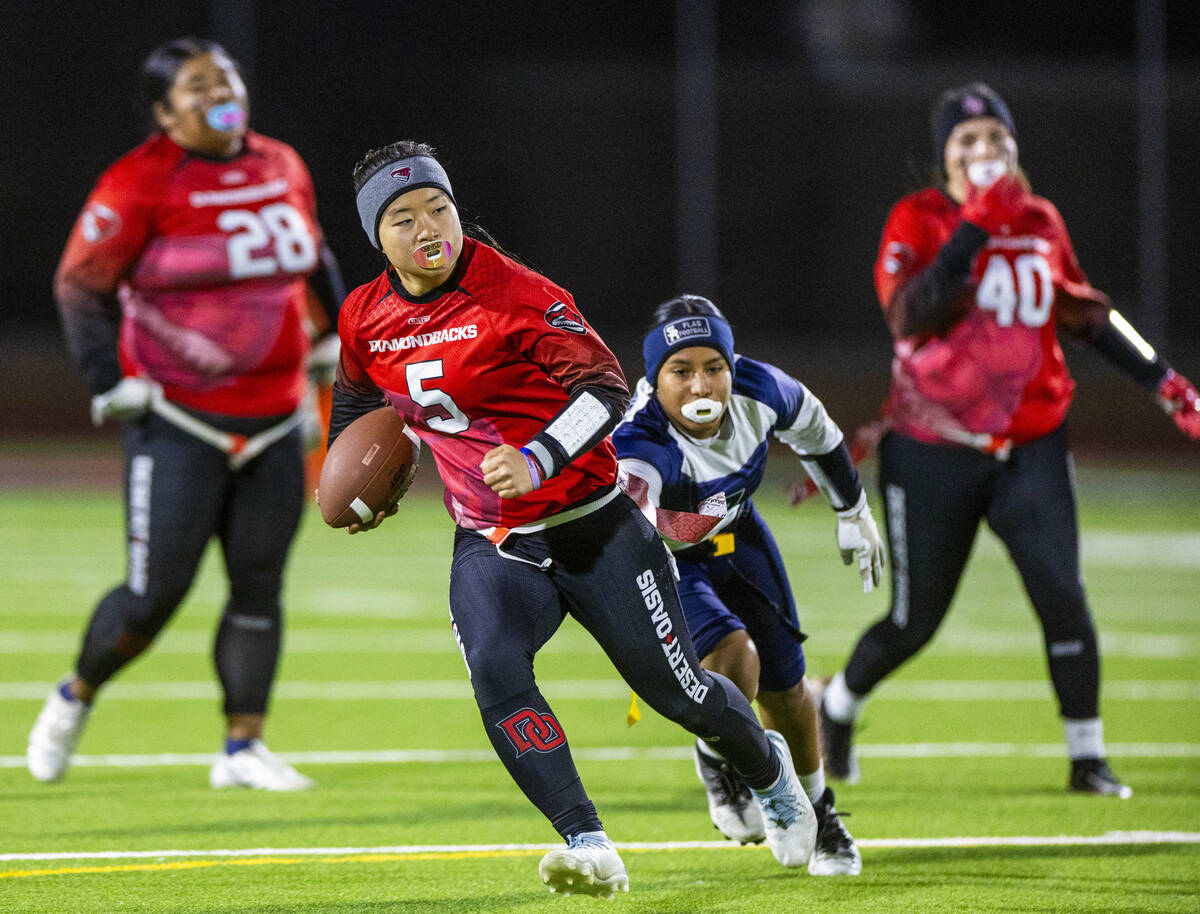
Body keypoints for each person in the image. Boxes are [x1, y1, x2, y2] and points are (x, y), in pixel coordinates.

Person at [328, 140, 819, 897]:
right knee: (495, 667)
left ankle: (769, 771)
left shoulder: (514, 292)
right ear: (376, 237)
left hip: (595, 526)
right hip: (494, 540)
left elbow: (607, 387)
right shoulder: (364, 314)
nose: (429, 226)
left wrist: (538, 457)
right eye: (403, 217)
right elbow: (358, 398)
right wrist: (355, 481)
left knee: (678, 692)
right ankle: (589, 844)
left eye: (439, 207)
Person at [818, 82, 1200, 798]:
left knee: (1063, 593)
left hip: (1031, 443)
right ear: (945, 160)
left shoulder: (1039, 220)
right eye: (968, 141)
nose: (986, 150)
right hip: (933, 449)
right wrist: (974, 227)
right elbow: (909, 317)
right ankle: (836, 707)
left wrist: (1166, 382)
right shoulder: (919, 218)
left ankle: (1088, 758)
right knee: (914, 619)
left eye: (998, 137)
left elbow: (1088, 315)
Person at [28, 37, 346, 791]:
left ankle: (242, 748)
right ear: (165, 112)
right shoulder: (140, 180)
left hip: (273, 413)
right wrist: (109, 379)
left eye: (225, 77)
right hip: (180, 416)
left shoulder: (280, 162)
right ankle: (74, 697)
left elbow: (315, 256)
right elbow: (79, 284)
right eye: (196, 86)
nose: (217, 92)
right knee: (155, 591)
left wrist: (333, 335)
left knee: (259, 582)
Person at [613, 294, 882, 877]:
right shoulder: (640, 440)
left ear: (733, 367)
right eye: (680, 372)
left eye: (714, 368)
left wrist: (852, 509)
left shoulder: (764, 390)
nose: (701, 386)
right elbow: (641, 530)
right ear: (654, 380)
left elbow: (821, 435)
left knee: (788, 688)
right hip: (669, 559)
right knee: (736, 661)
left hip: (740, 537)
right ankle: (726, 758)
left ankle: (819, 808)